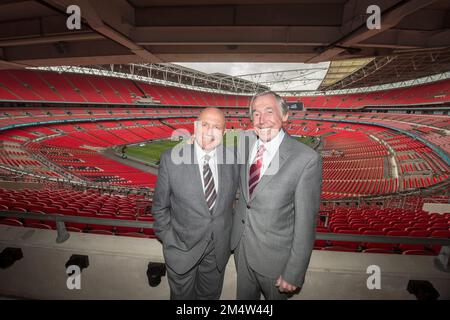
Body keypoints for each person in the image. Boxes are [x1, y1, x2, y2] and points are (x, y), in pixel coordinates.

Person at [231, 91, 322, 300]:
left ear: (285, 115)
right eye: (255, 114)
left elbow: (306, 222)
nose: (261, 120)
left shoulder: (306, 159)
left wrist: (294, 271)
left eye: (269, 111)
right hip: (241, 250)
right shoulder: (244, 146)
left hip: (276, 262)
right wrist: (194, 144)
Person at [152, 107, 239, 300]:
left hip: (217, 252)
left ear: (224, 133)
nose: (209, 131)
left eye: (217, 126)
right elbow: (160, 207)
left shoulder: (233, 160)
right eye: (205, 124)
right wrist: (169, 238)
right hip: (181, 250)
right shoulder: (170, 159)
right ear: (195, 126)